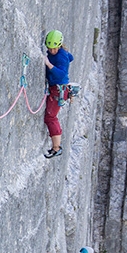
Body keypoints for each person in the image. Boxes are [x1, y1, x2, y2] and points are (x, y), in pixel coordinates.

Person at [42, 30, 73, 159]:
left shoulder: (61, 56)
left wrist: (48, 64)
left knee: (51, 117)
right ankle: (56, 147)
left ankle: (56, 148)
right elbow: (71, 57)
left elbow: (60, 74)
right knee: (51, 117)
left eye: (54, 48)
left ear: (59, 45)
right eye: (49, 48)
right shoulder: (62, 54)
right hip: (58, 89)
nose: (51, 51)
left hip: (58, 90)